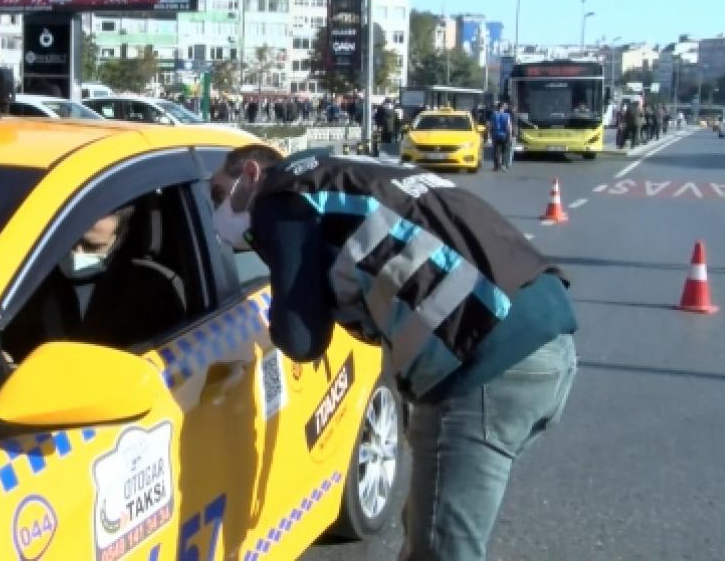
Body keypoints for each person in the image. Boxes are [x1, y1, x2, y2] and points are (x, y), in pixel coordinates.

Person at [208, 144, 577, 561]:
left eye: (218, 193)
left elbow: (300, 339)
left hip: (486, 362)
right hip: (549, 335)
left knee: (439, 549)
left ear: (251, 173)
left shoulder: (283, 194)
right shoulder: (345, 171)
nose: (216, 209)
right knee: (431, 520)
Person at [0, 203, 186, 360]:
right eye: (70, 243)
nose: (77, 254)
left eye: (92, 247)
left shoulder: (151, 293)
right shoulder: (29, 280)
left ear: (120, 238)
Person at [490, 101, 513, 171]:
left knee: (496, 151)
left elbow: (491, 125)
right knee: (505, 150)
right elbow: (508, 126)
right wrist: (510, 136)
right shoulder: (507, 115)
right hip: (504, 135)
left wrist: (490, 135)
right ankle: (503, 165)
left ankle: (496, 166)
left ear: (497, 107)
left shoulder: (494, 115)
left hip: (496, 135)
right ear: (502, 107)